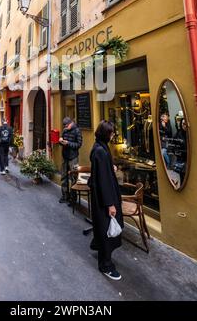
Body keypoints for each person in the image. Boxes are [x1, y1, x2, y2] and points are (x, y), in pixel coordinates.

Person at [88, 120, 124, 281]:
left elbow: (101, 171)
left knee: (102, 228)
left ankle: (97, 244)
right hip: (105, 198)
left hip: (102, 195)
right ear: (106, 134)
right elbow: (103, 180)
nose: (113, 135)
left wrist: (111, 167)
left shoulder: (99, 147)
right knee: (107, 231)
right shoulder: (101, 151)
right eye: (111, 132)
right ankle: (106, 265)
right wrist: (110, 204)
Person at [59, 117, 83, 203]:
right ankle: (65, 196)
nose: (65, 127)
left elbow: (79, 144)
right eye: (64, 126)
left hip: (73, 158)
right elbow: (62, 139)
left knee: (74, 178)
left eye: (67, 125)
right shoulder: (65, 130)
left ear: (71, 123)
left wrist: (68, 143)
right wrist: (60, 141)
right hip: (65, 156)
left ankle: (73, 199)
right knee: (63, 177)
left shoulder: (77, 131)